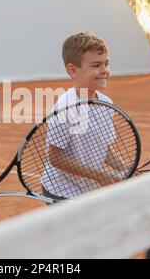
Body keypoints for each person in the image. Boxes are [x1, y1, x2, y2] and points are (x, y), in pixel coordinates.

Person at [41, 32, 129, 200]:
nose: (104, 71)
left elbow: (104, 147)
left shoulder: (106, 103)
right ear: (73, 70)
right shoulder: (64, 107)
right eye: (96, 65)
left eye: (106, 64)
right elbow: (55, 157)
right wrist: (98, 175)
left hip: (86, 190)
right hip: (61, 191)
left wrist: (123, 167)